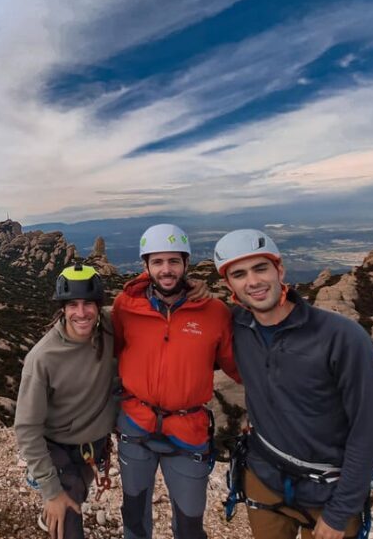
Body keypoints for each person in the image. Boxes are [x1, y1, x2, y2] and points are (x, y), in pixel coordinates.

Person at [213, 229, 373, 539]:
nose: (252, 281)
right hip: (264, 479)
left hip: (329, 492)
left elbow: (368, 430)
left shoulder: (342, 338)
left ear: (279, 269)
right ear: (230, 285)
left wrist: (340, 512)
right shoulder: (236, 326)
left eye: (260, 268)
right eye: (239, 274)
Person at [112, 224, 240, 539]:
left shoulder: (214, 312)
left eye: (173, 261)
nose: (166, 270)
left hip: (187, 429)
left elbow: (238, 368)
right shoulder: (125, 307)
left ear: (185, 264)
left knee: (190, 525)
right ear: (146, 267)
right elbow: (109, 355)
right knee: (134, 516)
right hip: (136, 424)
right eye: (157, 262)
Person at [15, 263, 118, 539]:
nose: (81, 313)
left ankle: (51, 509)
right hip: (56, 449)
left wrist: (192, 290)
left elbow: (149, 304)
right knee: (67, 514)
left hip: (93, 449)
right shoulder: (42, 358)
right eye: (72, 304)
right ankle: (54, 509)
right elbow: (26, 429)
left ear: (99, 307)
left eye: (88, 304)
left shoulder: (109, 327)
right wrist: (51, 491)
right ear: (62, 308)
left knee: (77, 494)